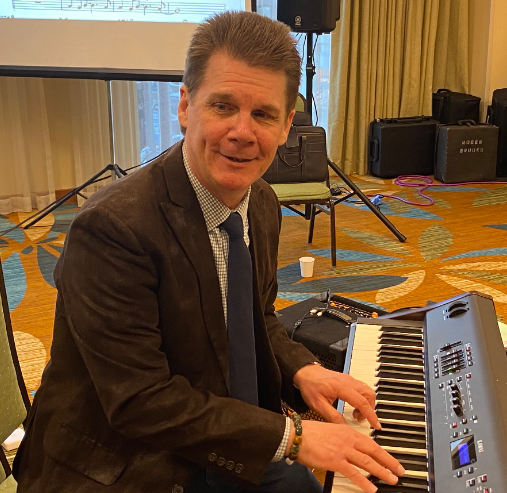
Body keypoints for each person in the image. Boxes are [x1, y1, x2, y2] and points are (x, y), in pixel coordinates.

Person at [13, 11, 405, 493]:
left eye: (263, 114)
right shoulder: (112, 229)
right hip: (125, 461)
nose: (243, 132)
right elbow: (140, 401)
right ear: (184, 105)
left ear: (286, 127)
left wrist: (302, 369)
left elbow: (256, 318)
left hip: (227, 431)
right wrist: (294, 435)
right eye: (223, 106)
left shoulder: (260, 202)